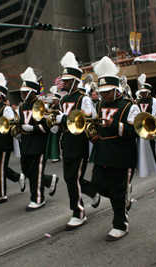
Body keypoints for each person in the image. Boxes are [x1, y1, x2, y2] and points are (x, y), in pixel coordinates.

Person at [88, 56, 140, 241]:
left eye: (107, 92)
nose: (104, 95)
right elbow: (97, 127)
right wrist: (94, 137)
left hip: (122, 156)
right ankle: (123, 194)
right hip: (102, 154)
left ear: (116, 89)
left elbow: (135, 131)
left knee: (117, 192)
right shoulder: (99, 104)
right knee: (97, 184)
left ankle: (120, 225)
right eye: (101, 92)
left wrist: (114, 125)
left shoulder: (129, 106)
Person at [55, 51, 100, 230]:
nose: (63, 83)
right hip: (67, 143)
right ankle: (91, 192)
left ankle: (78, 212)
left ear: (75, 81)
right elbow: (61, 120)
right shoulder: (64, 99)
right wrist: (55, 124)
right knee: (69, 178)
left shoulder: (84, 99)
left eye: (66, 80)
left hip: (79, 143)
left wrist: (63, 119)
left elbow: (87, 121)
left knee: (73, 178)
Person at [17, 67, 59, 211]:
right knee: (26, 170)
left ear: (32, 91)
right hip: (26, 144)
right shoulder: (22, 107)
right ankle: (49, 179)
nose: (22, 94)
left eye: (24, 91)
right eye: (21, 91)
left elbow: (49, 127)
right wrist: (18, 133)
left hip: (38, 144)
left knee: (35, 173)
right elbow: (21, 124)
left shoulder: (43, 105)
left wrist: (33, 129)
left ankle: (38, 199)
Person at [0, 73, 26, 205]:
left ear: (1, 95)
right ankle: (18, 177)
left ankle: (1, 194)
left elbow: (8, 125)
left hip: (2, 143)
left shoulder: (6, 109)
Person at [136, 74, 156, 163]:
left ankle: (153, 160)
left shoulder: (154, 101)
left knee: (151, 144)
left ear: (148, 92)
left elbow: (155, 113)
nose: (142, 94)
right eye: (141, 92)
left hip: (150, 125)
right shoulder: (138, 101)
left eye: (144, 92)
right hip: (141, 125)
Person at [48, 86, 62, 163]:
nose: (53, 100)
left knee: (58, 141)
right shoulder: (52, 107)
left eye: (54, 99)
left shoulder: (60, 106)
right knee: (54, 141)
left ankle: (58, 155)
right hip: (54, 125)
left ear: (57, 100)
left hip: (59, 126)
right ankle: (55, 155)